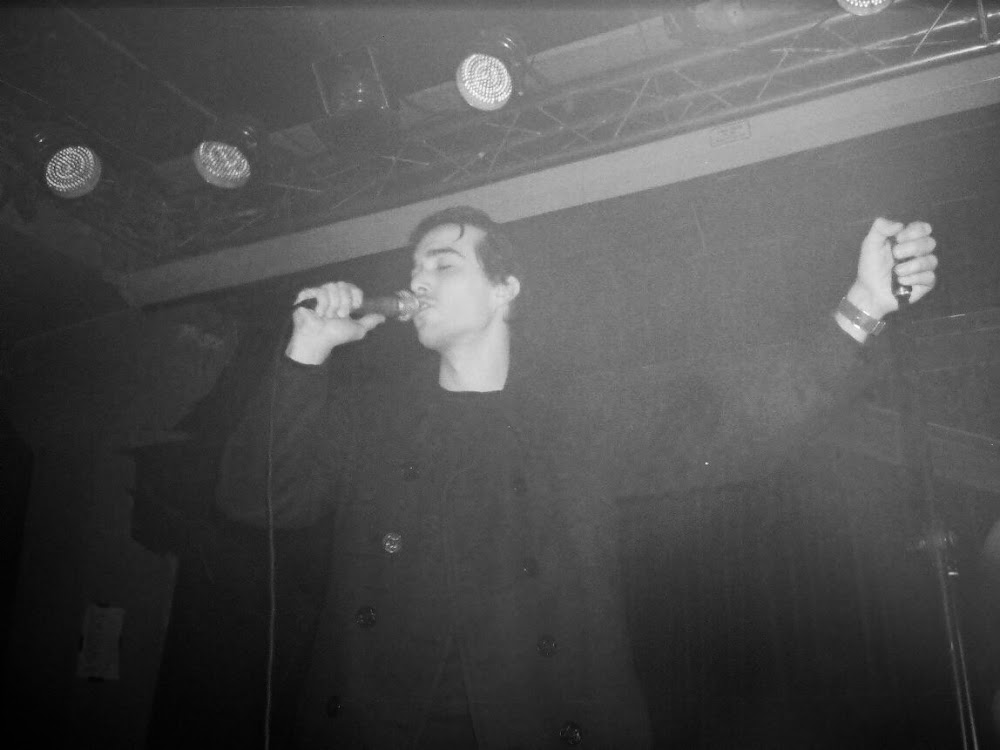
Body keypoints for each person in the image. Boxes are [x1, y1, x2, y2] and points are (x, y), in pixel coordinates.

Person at [216, 206, 938, 748]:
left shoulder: (576, 423)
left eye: (443, 265)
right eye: (413, 270)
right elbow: (255, 500)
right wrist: (305, 353)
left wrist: (863, 305)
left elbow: (733, 424)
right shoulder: (372, 421)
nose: (417, 282)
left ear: (505, 289)